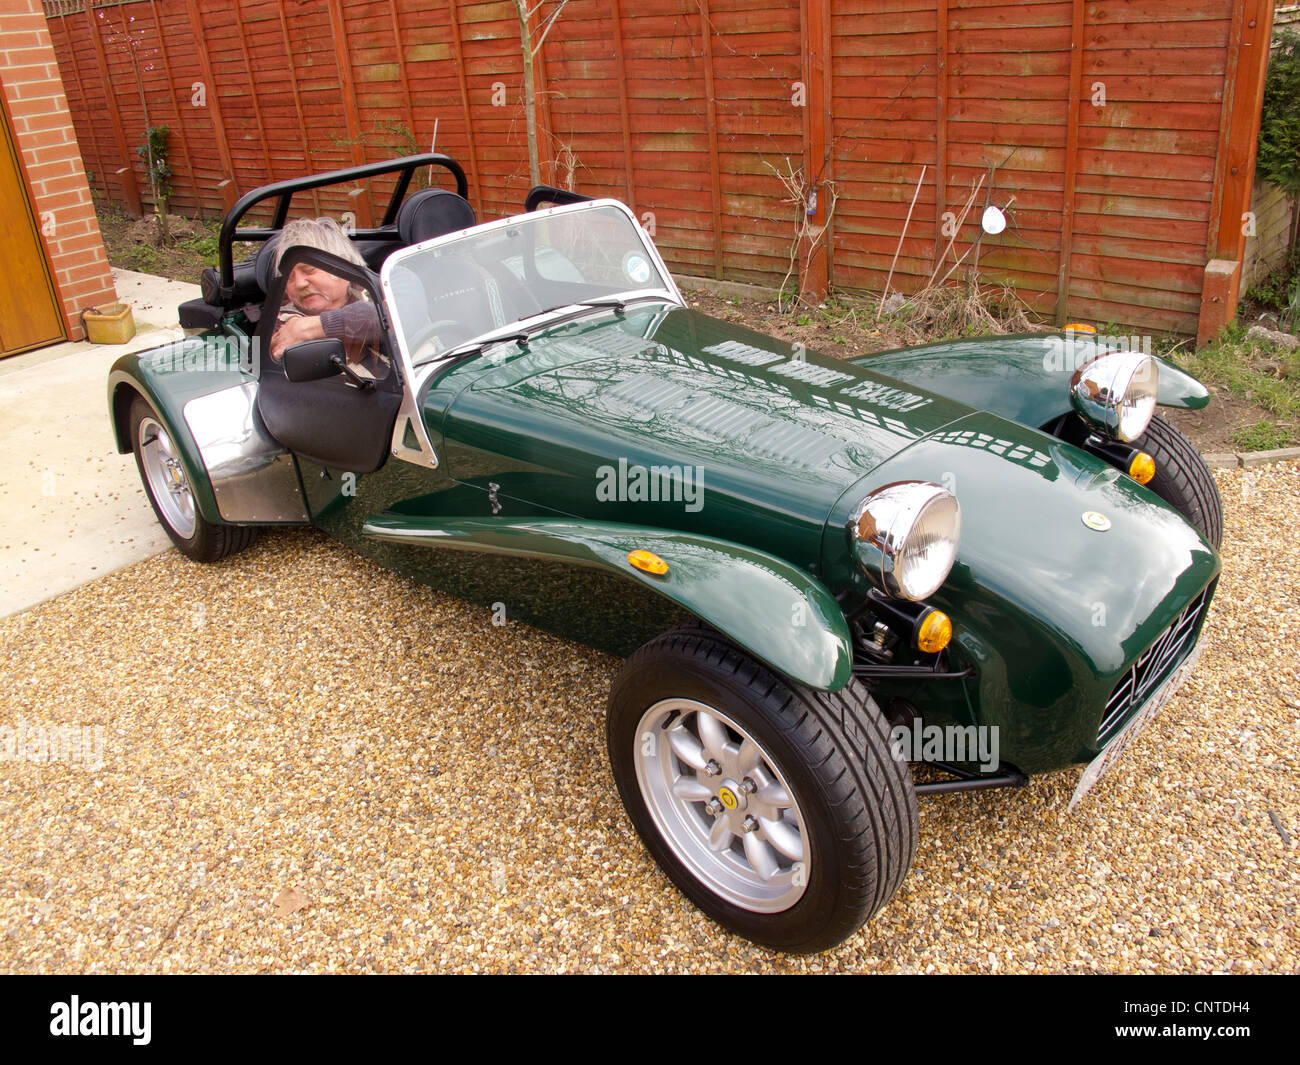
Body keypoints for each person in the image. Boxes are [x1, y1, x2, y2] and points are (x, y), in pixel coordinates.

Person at [267, 217, 387, 378]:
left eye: (309, 270)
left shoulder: (378, 287)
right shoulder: (280, 326)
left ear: (343, 265)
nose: (299, 283)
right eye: (289, 277)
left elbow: (400, 311)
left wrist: (312, 327)